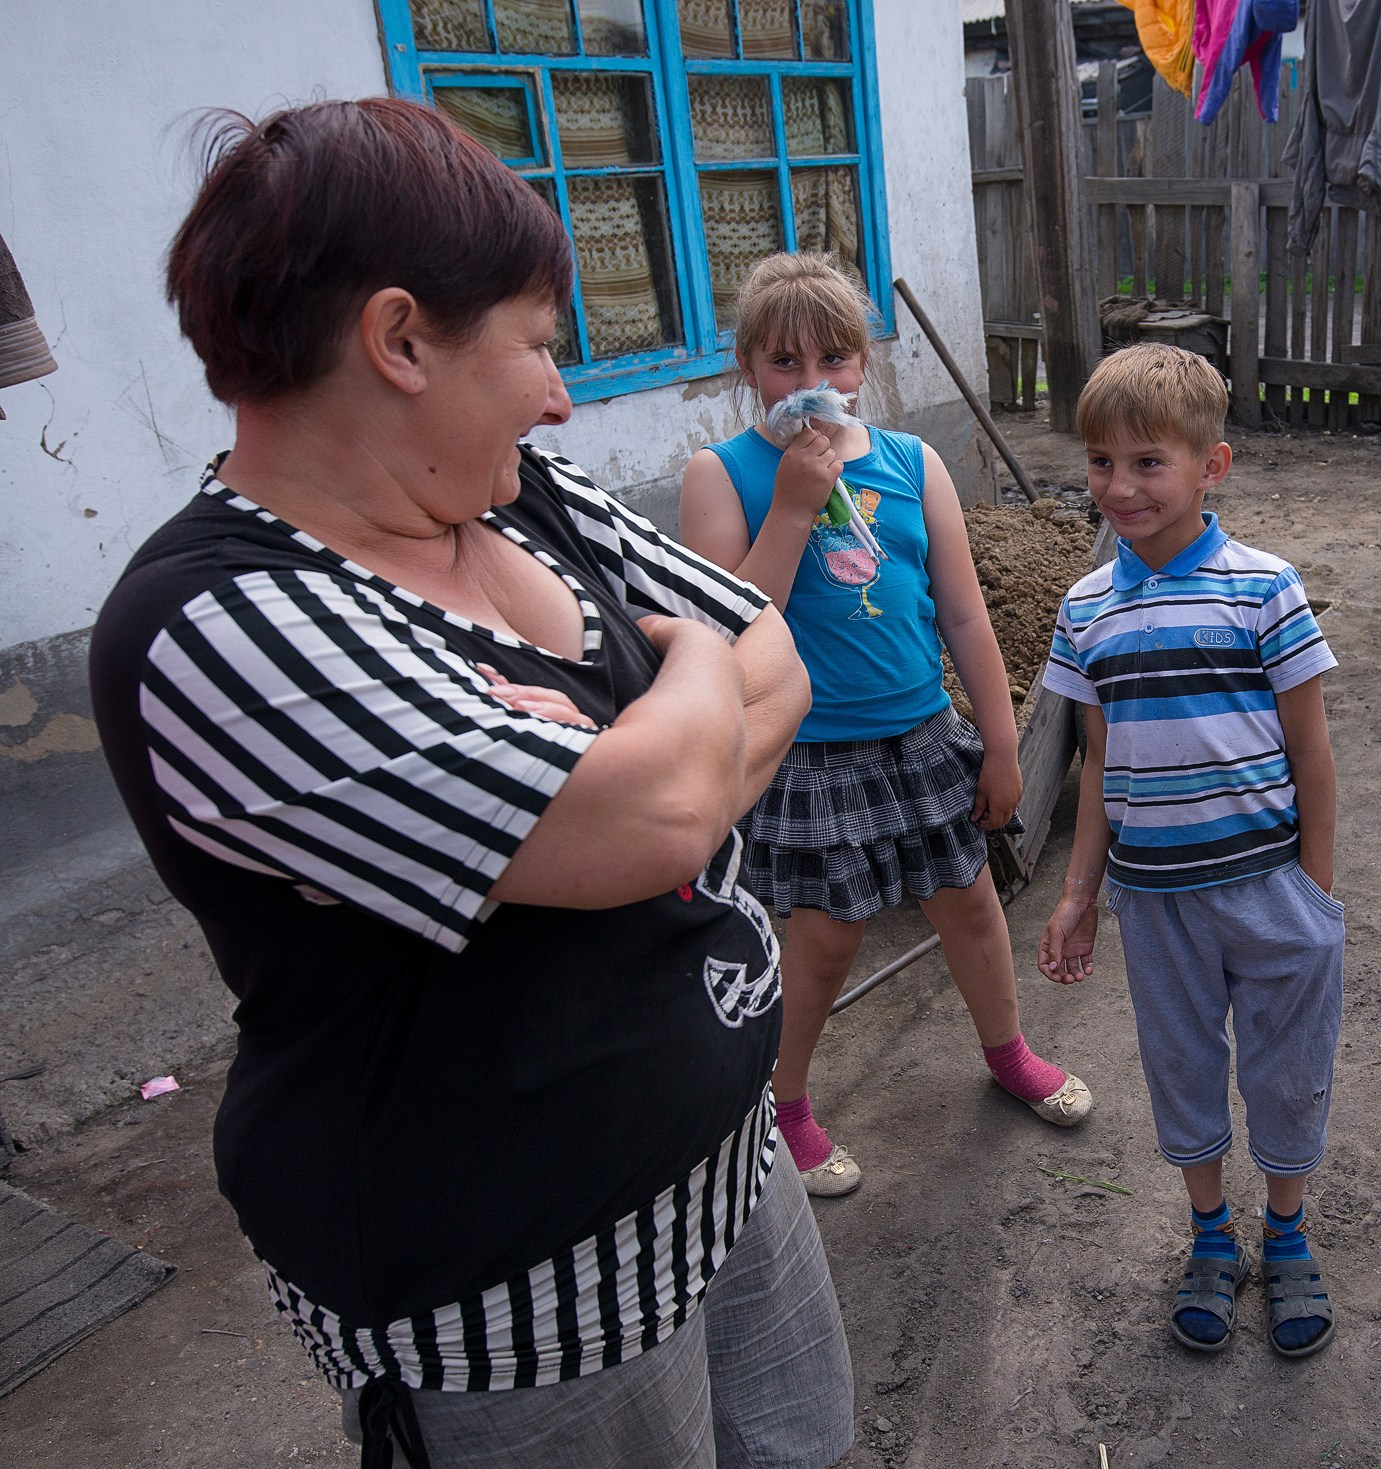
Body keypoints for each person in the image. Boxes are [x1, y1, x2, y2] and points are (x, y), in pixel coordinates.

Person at [89, 100, 853, 1467]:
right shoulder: (215, 623)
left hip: (727, 1166)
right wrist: (684, 687)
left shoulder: (519, 498)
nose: (562, 395)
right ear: (396, 341)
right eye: (539, 343)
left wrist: (650, 738)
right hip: (520, 1304)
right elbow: (662, 810)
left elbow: (778, 658)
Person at [680, 254, 1090, 1199]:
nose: (811, 384)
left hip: (920, 734)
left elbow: (964, 614)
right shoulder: (722, 474)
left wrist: (999, 742)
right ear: (747, 367)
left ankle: (1009, 1051)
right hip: (808, 755)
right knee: (825, 935)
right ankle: (783, 1103)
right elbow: (728, 633)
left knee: (971, 904)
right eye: (784, 362)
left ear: (864, 365)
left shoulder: (913, 464)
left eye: (834, 360)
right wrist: (789, 506)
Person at [1037, 344, 1344, 1359]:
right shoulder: (1086, 607)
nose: (1119, 486)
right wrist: (1080, 894)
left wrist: (1316, 895)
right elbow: (1096, 764)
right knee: (1181, 1065)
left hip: (1268, 889)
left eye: (1146, 462)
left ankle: (1286, 1228)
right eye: (1100, 463)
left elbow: (1311, 751)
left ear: (1211, 465)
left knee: (1287, 1070)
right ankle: (1211, 1231)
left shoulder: (1265, 589)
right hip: (1153, 900)